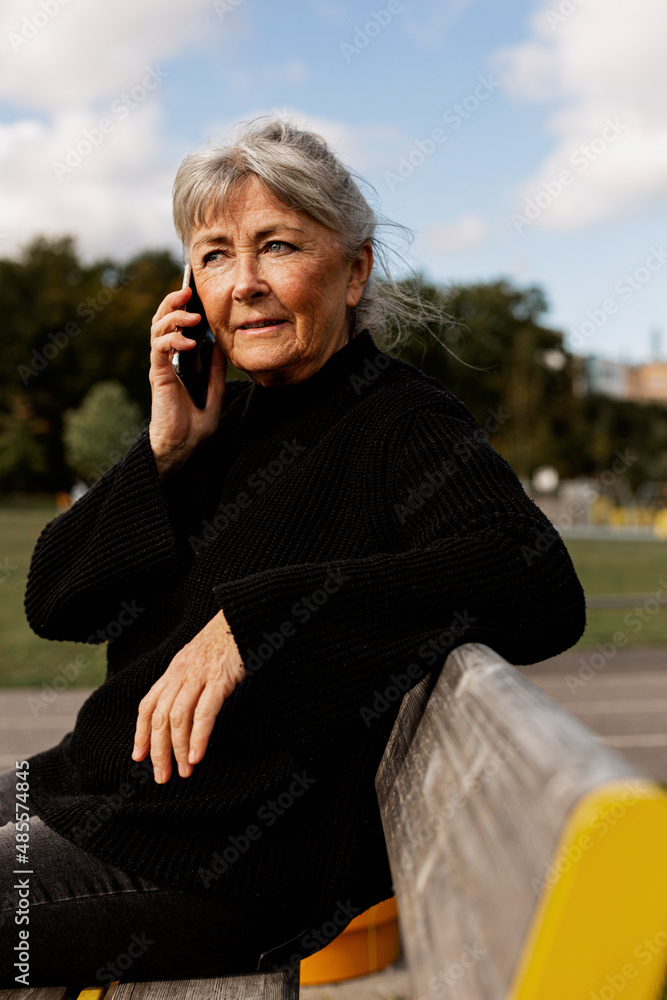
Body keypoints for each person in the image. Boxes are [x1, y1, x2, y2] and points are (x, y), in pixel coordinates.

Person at [0, 117, 585, 988]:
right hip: (84, 793)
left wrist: (255, 622)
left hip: (214, 866)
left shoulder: (402, 423)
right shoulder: (215, 426)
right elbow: (57, 602)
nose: (244, 284)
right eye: (214, 255)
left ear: (354, 271)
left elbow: (532, 578)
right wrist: (164, 453)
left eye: (276, 246)